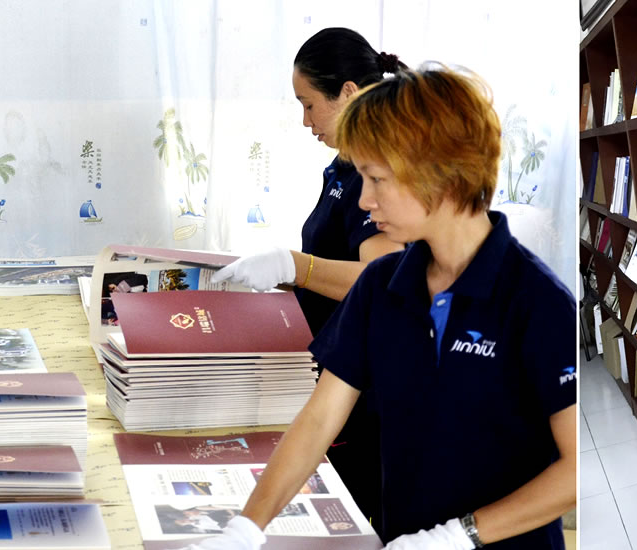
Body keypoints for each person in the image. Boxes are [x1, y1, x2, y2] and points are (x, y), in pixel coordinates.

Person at [190, 66, 578, 550]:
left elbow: (575, 470)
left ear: (439, 171)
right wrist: (245, 529)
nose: (364, 200)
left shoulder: (539, 303)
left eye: (376, 179)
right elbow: (318, 422)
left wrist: (460, 536)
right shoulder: (381, 287)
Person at [211, 27, 408, 518]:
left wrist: (296, 266)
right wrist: (277, 275)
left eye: (309, 104)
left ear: (348, 92)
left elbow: (380, 277)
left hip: (363, 389)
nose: (305, 121)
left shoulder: (379, 170)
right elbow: (330, 256)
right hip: (326, 364)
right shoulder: (343, 166)